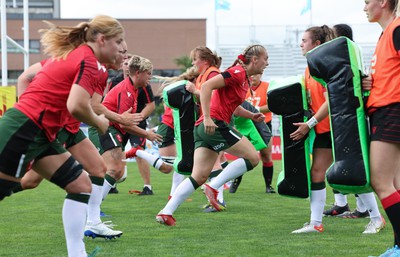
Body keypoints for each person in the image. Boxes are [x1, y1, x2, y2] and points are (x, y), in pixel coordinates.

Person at [0, 15, 124, 257]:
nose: (121, 49)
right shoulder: (89, 61)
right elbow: (76, 106)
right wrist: (99, 122)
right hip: (26, 127)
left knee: (80, 185)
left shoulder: (86, 59)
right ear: (102, 40)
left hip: (42, 132)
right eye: (119, 41)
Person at [156, 44, 268, 226]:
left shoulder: (243, 78)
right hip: (213, 124)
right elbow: (207, 87)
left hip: (203, 128)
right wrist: (208, 117)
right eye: (266, 59)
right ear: (254, 60)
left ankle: (166, 212)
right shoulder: (238, 72)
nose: (267, 63)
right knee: (253, 158)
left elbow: (232, 106)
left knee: (198, 177)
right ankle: (214, 186)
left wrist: (252, 115)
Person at [88, 55, 172, 222]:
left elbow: (127, 121)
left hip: (112, 129)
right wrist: (147, 134)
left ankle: (92, 208)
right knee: (114, 169)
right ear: (138, 73)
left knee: (115, 171)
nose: (150, 77)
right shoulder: (126, 90)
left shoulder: (134, 89)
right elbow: (124, 123)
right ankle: (92, 210)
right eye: (149, 73)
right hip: (104, 128)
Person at [323, 24, 385, 235]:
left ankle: (373, 216)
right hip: (346, 120)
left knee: (360, 170)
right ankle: (359, 210)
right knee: (349, 168)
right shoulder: (339, 61)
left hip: (351, 121)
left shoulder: (344, 60)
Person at [362, 0, 400, 255]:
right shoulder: (386, 33)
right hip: (386, 110)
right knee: (394, 183)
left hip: (393, 110)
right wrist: (372, 84)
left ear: (383, 2)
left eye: (366, 2)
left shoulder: (397, 29)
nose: (364, 7)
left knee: (381, 181)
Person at [290, 25, 336, 234]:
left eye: (304, 40)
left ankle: (375, 217)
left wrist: (309, 124)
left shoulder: (323, 65)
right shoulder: (310, 67)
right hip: (323, 130)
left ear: (316, 44)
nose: (300, 44)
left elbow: (331, 102)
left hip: (336, 129)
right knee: (317, 172)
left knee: (360, 174)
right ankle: (316, 223)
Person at [229, 73, 275, 194]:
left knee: (266, 155)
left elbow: (272, 105)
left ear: (261, 74)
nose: (253, 77)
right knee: (244, 154)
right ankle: (235, 183)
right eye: (251, 75)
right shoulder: (243, 88)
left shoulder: (267, 87)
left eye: (256, 75)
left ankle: (268, 186)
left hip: (263, 124)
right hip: (245, 125)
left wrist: (255, 110)